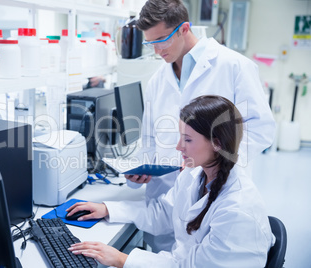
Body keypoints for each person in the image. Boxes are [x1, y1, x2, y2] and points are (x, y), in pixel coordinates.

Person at [122, 0, 275, 252]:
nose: (157, 50)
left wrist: (211, 163)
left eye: (162, 40)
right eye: (150, 43)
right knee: (165, 258)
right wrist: (141, 170)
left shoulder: (234, 66)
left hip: (211, 192)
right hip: (164, 196)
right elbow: (149, 136)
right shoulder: (158, 79)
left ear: (183, 29)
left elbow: (260, 128)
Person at [66, 95, 275, 268]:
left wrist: (122, 259)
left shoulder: (237, 210)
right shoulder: (194, 175)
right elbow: (163, 213)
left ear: (217, 144)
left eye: (188, 139)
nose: (178, 147)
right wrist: (108, 209)